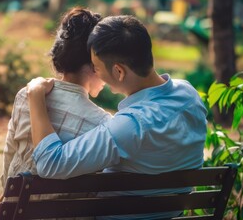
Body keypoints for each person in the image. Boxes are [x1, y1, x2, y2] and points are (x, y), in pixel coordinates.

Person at [27, 15, 207, 219]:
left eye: (96, 67)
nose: (94, 72)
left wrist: (35, 95)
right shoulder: (189, 95)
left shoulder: (130, 126)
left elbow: (50, 163)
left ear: (119, 71)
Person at [0, 7, 111, 220]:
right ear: (95, 63)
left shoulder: (27, 96)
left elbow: (8, 176)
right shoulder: (104, 124)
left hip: (16, 213)